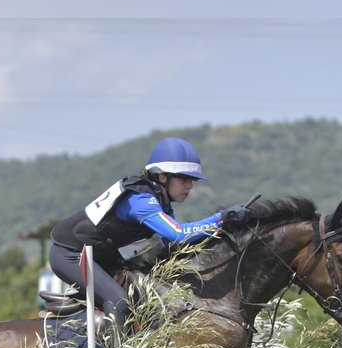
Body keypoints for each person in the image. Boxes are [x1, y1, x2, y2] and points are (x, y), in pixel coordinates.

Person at [48, 137, 253, 331]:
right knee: (119, 303)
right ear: (162, 177)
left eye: (192, 181)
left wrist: (223, 229)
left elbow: (174, 247)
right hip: (72, 255)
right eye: (184, 179)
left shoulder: (161, 203)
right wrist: (222, 217)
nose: (189, 186)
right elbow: (177, 234)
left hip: (102, 261)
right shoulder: (140, 201)